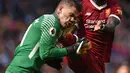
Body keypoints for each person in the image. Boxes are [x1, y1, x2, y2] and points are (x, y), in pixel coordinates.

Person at [5, 0, 84, 73]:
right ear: (60, 9)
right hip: (22, 70)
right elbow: (46, 53)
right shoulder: (52, 22)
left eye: (75, 18)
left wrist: (49, 60)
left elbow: (25, 49)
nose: (73, 19)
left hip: (22, 68)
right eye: (71, 15)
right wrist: (72, 49)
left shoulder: (48, 21)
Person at [61, 0, 122, 73]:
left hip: (96, 58)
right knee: (73, 41)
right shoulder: (82, 5)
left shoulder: (113, 6)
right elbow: (72, 27)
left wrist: (103, 26)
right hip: (82, 48)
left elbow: (112, 25)